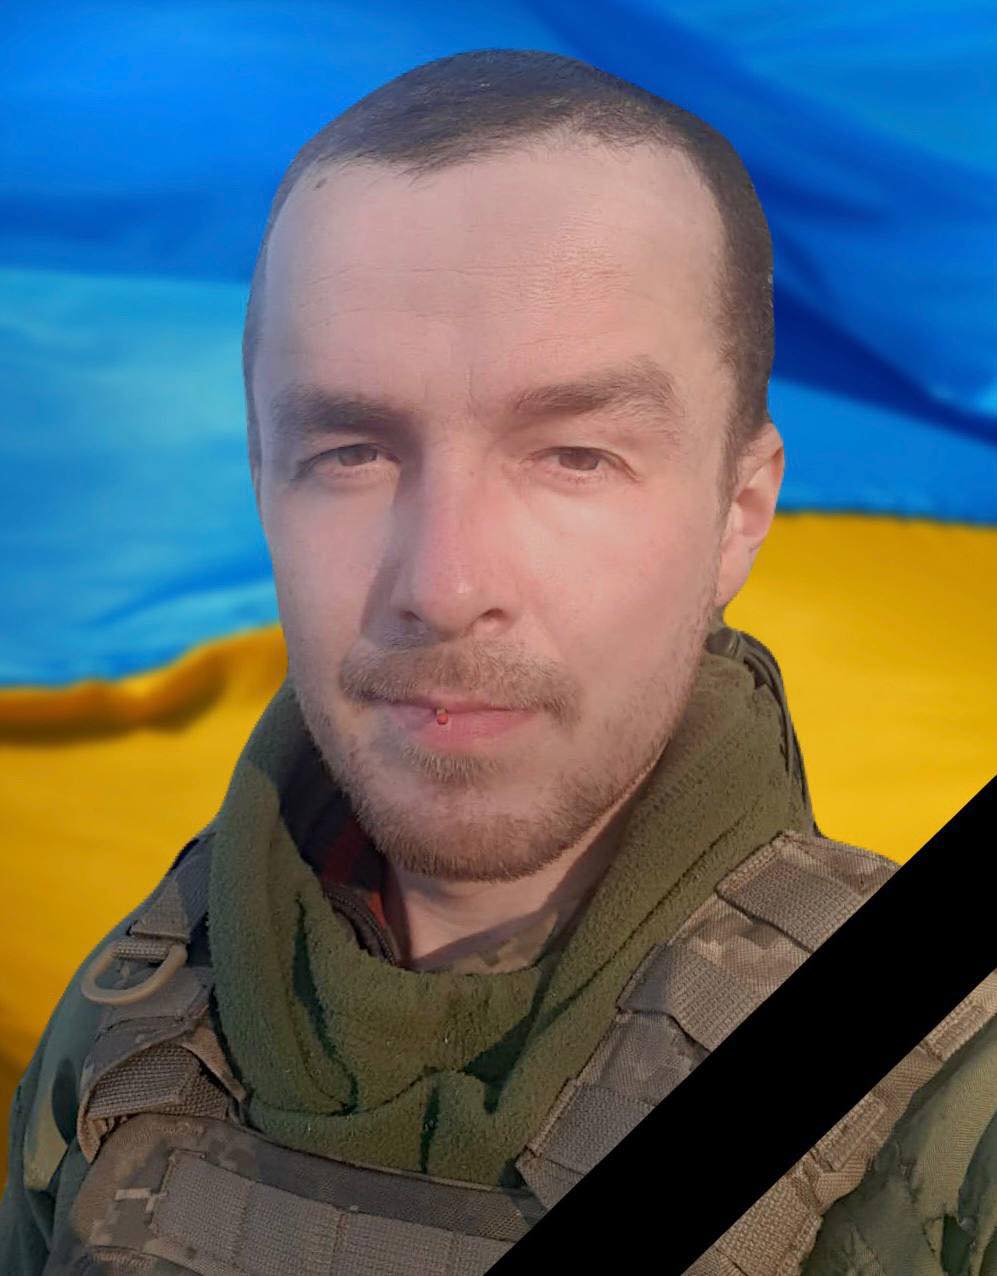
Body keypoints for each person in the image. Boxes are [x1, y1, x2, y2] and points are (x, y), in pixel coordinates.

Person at [2, 48, 993, 1276]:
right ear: (263, 484)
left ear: (739, 512)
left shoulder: (965, 1116)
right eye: (352, 452)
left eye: (574, 454)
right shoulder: (123, 1029)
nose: (444, 583)